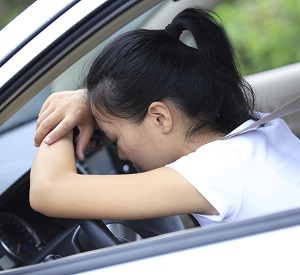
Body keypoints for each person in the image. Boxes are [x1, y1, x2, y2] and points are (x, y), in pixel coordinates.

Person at [30, 8, 300, 227]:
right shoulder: (259, 126)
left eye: (114, 138)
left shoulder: (214, 170)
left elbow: (48, 191)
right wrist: (89, 99)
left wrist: (67, 107)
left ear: (160, 118)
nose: (121, 155)